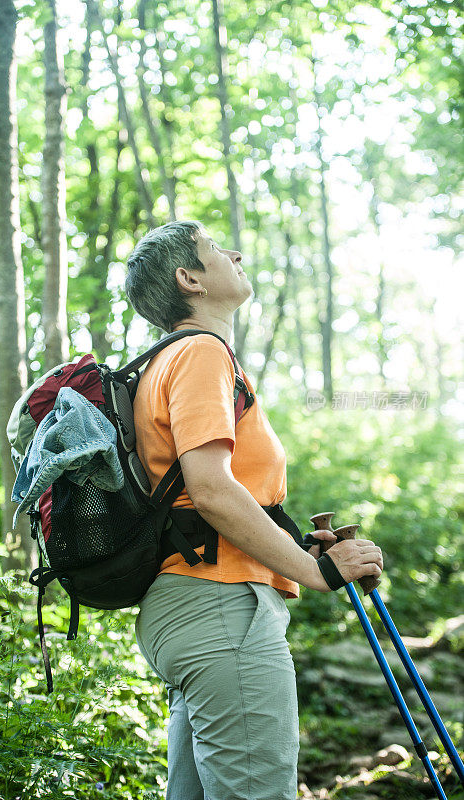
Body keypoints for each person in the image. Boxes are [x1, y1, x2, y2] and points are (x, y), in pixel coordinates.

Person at [124, 220, 383, 800]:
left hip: (193, 607)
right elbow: (210, 489)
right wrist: (315, 572)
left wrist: (294, 546)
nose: (234, 252)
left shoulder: (170, 361)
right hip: (221, 608)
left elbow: (202, 497)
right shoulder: (200, 353)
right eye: (216, 249)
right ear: (188, 279)